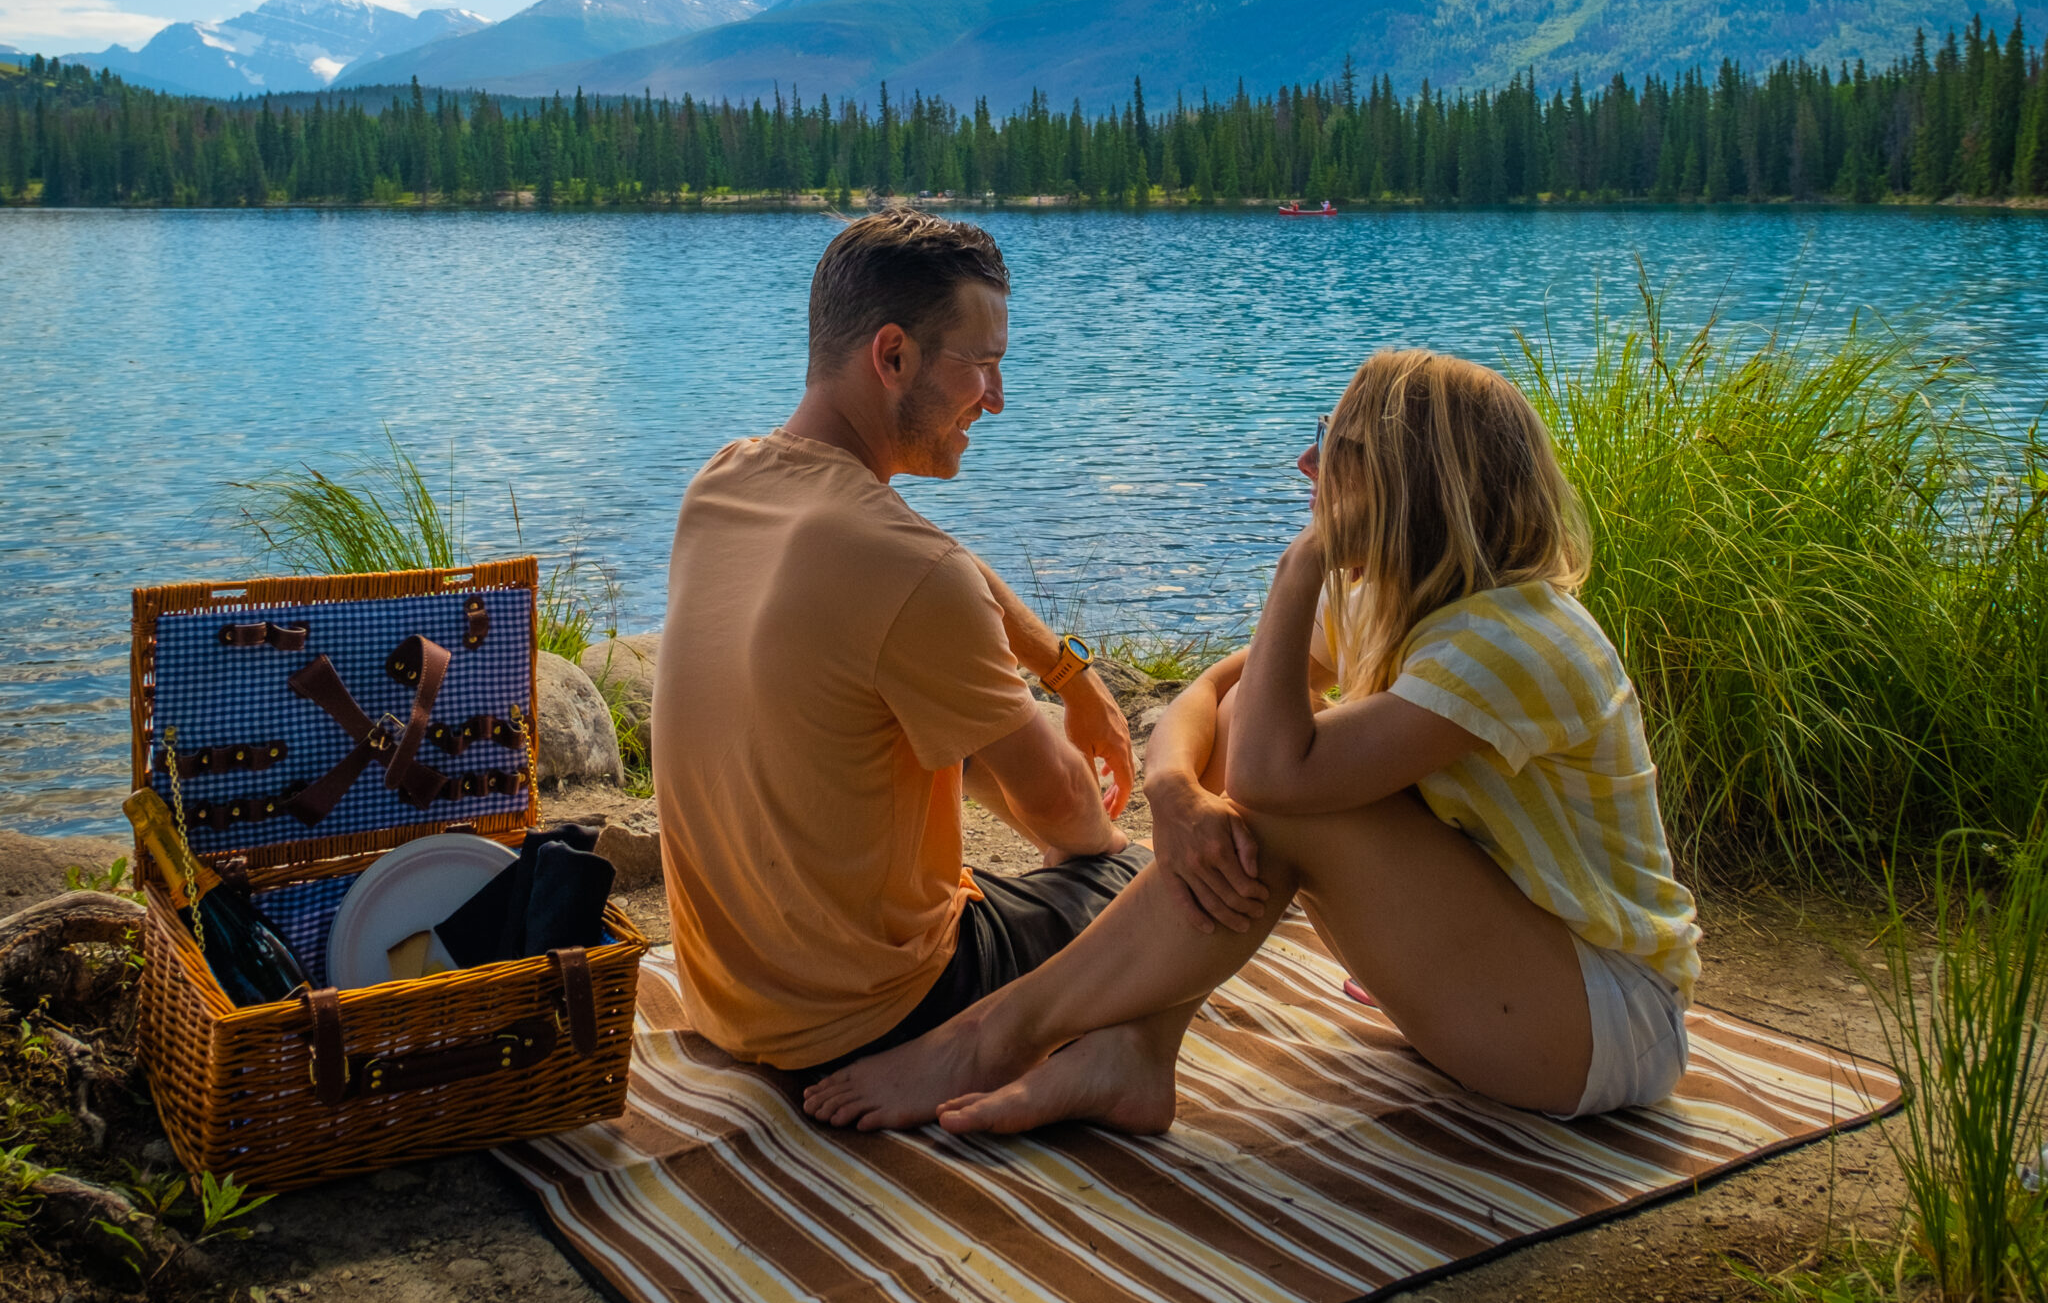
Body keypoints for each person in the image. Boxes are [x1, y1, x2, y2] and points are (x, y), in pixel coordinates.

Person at [803, 348, 1700, 1135]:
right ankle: (1134, 1051)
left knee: (1277, 795)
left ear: (1408, 485)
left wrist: (1300, 559)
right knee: (1246, 741)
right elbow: (1214, 694)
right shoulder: (1396, 597)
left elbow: (1274, 776)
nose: (1305, 463)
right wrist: (1171, 789)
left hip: (1602, 1027)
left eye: (1339, 452)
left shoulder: (1514, 638)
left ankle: (992, 1037)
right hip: (1502, 992)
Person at [649, 209, 1140, 1077]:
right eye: (981, 366)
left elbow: (926, 555)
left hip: (726, 999)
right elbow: (1067, 808)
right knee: (1162, 891)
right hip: (875, 1017)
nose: (996, 397)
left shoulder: (724, 483)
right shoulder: (906, 572)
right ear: (893, 356)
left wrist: (1068, 672)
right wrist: (1086, 852)